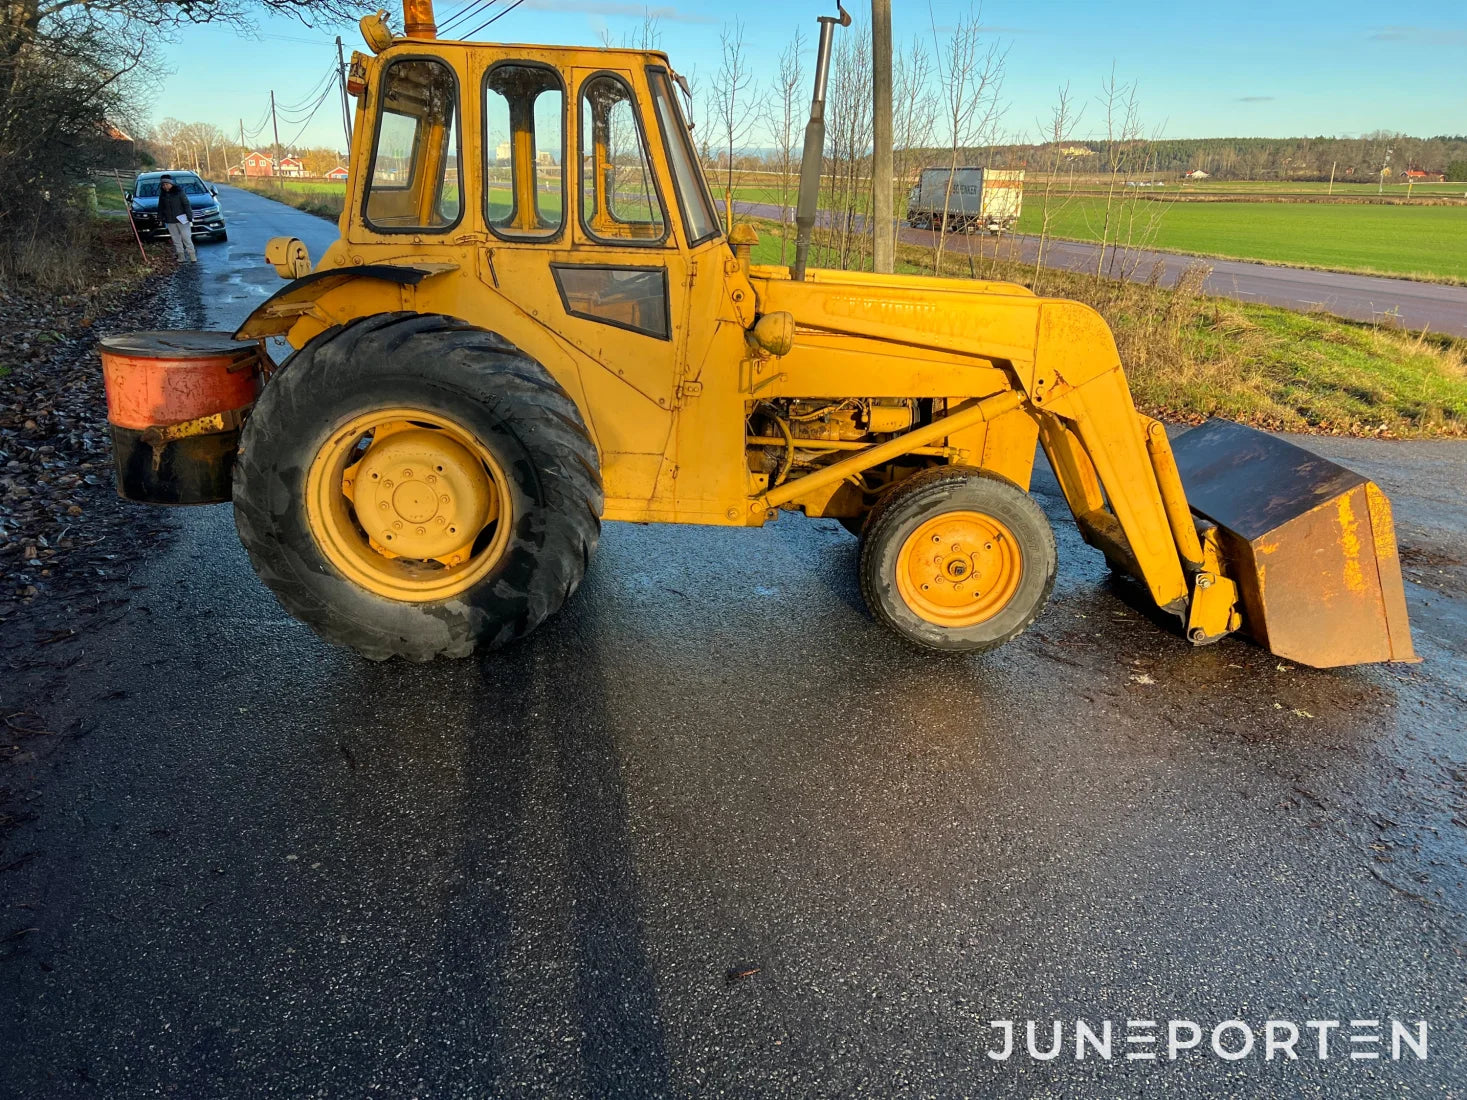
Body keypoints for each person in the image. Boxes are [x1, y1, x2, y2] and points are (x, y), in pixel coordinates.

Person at [156, 174, 196, 263]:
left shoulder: (179, 192)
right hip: (170, 220)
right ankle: (181, 256)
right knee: (176, 239)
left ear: (171, 184)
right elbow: (161, 207)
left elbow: (186, 204)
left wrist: (189, 216)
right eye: (163, 185)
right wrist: (160, 217)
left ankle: (192, 256)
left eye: (166, 184)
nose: (165, 186)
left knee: (186, 237)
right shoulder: (162, 195)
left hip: (182, 219)